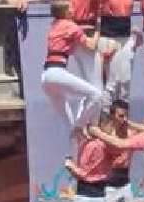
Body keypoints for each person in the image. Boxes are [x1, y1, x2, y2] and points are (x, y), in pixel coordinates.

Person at [42, 2, 108, 132]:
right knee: (96, 95)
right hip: (57, 74)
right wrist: (98, 29)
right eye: (70, 8)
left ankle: (75, 139)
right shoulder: (71, 26)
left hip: (45, 78)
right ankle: (82, 126)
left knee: (68, 125)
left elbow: (67, 46)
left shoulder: (53, 26)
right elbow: (91, 45)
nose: (73, 10)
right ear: (65, 13)